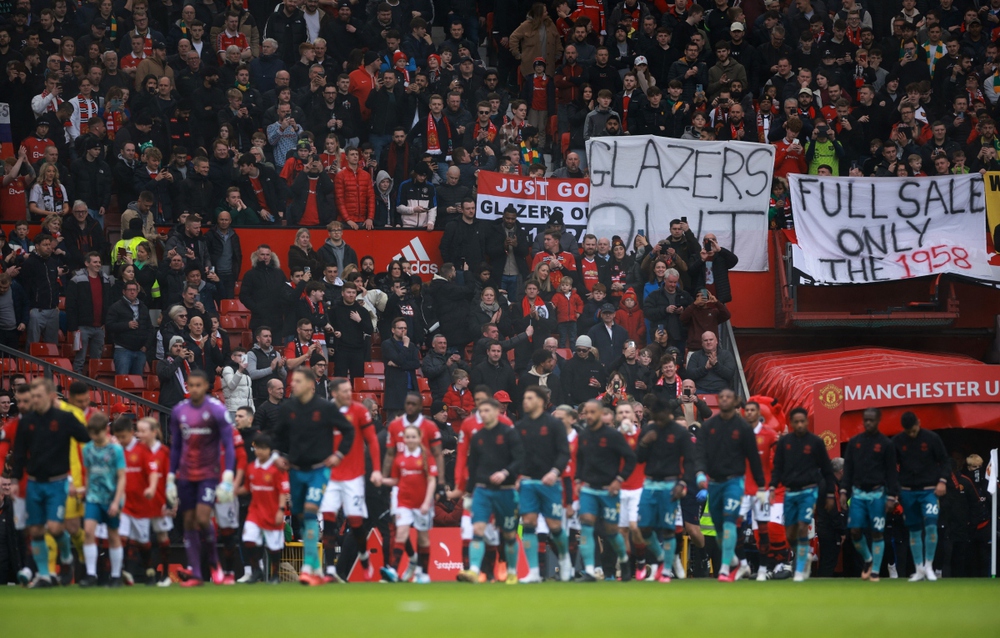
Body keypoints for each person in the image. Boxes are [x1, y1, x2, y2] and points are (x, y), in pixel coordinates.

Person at [272, 367, 354, 586]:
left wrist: (338, 454)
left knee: (310, 512)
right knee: (300, 515)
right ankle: (315, 567)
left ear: (310, 384)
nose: (293, 385)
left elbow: (348, 430)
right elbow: (277, 437)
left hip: (319, 470)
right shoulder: (288, 408)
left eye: (297, 381)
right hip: (296, 471)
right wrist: (276, 455)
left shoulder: (325, 408)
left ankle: (308, 566)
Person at [9, 379, 90, 588]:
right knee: (36, 531)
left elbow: (86, 439)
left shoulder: (65, 418)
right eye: (32, 396)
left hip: (58, 482)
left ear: (50, 396)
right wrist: (16, 480)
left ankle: (66, 557)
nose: (34, 400)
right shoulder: (27, 421)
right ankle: (45, 574)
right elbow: (18, 453)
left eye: (38, 396)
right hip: (34, 482)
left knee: (55, 527)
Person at [164, 371, 236, 587]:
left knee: (203, 519)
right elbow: (176, 447)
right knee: (188, 521)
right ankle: (196, 573)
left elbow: (229, 445)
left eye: (198, 385)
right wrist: (170, 477)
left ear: (206, 386)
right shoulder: (179, 411)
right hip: (186, 475)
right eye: (191, 385)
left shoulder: (216, 410)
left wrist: (228, 476)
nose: (194, 389)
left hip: (208, 474)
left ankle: (214, 562)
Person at [698, 388, 766, 582]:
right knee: (720, 528)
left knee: (729, 524)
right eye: (722, 397)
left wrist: (760, 485)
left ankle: (725, 569)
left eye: (729, 397)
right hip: (714, 483)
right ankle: (732, 556)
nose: (725, 400)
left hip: (735, 482)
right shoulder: (709, 426)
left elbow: (753, 458)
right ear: (718, 401)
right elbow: (700, 452)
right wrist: (700, 473)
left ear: (735, 401)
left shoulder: (743, 428)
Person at [455, 398, 525, 584]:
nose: (482, 414)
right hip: (483, 491)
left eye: (486, 410)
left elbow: (519, 460)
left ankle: (511, 571)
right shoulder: (478, 437)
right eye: (480, 411)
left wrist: (506, 473)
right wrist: (469, 492)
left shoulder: (509, 434)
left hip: (506, 491)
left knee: (509, 533)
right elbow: (473, 465)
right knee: (478, 529)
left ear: (496, 411)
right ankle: (475, 571)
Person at [319, 378, 382, 583]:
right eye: (345, 391)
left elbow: (372, 440)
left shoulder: (359, 411)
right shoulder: (326, 413)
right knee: (328, 520)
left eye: (350, 390)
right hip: (332, 476)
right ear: (334, 393)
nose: (349, 394)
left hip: (356, 476)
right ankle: (330, 570)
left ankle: (360, 559)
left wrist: (377, 470)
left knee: (356, 523)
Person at [635, 394, 701, 582]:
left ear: (667, 413)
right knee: (644, 528)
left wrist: (683, 483)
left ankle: (664, 570)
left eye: (661, 414)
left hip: (671, 483)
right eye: (655, 415)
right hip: (649, 483)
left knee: (668, 529)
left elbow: (690, 461)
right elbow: (639, 458)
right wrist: (644, 442)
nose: (658, 418)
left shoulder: (679, 433)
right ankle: (664, 558)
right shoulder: (649, 430)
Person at [769, 407, 836, 582]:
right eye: (796, 422)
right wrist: (771, 487)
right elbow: (777, 468)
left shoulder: (815, 442)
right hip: (790, 492)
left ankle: (799, 569)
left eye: (802, 421)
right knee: (790, 533)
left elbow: (828, 470)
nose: (799, 425)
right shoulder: (785, 443)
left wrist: (830, 493)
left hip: (809, 490)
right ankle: (803, 553)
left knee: (801, 526)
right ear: (791, 423)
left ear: (806, 422)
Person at [574, 399, 637, 582]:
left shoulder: (612, 436)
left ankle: (624, 561)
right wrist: (578, 480)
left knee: (611, 532)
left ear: (601, 414)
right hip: (588, 490)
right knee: (586, 526)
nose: (589, 416)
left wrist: (619, 479)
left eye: (593, 412)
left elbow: (630, 458)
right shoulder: (584, 435)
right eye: (587, 412)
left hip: (609, 491)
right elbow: (579, 459)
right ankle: (591, 571)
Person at [516, 385, 573, 583]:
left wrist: (555, 472)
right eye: (524, 398)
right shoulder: (520, 426)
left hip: (549, 482)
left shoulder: (554, 424)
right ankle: (533, 571)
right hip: (528, 483)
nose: (525, 401)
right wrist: (517, 475)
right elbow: (516, 455)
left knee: (554, 525)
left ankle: (565, 560)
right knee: (529, 524)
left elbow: (564, 452)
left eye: (529, 398)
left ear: (540, 401)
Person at [841, 407, 898, 582]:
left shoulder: (886, 444)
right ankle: (868, 559)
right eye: (865, 419)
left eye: (871, 420)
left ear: (878, 420)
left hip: (877, 493)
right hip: (857, 494)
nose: (868, 423)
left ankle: (875, 571)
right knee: (855, 532)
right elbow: (848, 470)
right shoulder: (854, 442)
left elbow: (891, 472)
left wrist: (892, 496)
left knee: (877, 532)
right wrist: (844, 491)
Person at [892, 411, 948, 582]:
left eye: (914, 430)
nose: (912, 434)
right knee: (914, 530)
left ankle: (929, 566)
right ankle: (919, 569)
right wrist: (893, 491)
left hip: (929, 490)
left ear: (919, 423)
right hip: (908, 491)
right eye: (908, 432)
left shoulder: (932, 438)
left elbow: (945, 460)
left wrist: (942, 481)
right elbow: (890, 467)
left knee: (931, 526)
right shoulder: (897, 441)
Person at [380, 423, 438, 584]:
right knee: (401, 533)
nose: (410, 440)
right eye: (407, 437)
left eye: (413, 437)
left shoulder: (426, 457)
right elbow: (396, 480)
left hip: (422, 503)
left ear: (419, 438)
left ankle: (423, 573)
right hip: (404, 502)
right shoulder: (399, 459)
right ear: (403, 439)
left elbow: (432, 480)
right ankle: (393, 569)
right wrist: (382, 480)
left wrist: (427, 502)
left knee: (423, 538)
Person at [78, 413, 127, 588]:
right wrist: (85, 490)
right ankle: (91, 574)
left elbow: (122, 477)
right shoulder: (88, 449)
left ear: (105, 430)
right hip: (93, 497)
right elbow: (90, 473)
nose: (94, 438)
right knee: (89, 532)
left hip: (111, 497)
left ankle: (115, 576)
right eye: (92, 434)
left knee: (113, 535)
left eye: (97, 434)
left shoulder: (116, 450)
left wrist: (116, 501)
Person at [236, 433, 288, 584]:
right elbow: (247, 487)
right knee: (248, 539)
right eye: (257, 448)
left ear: (270, 450)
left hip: (272, 512)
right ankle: (256, 569)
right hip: (255, 512)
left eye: (263, 448)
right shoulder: (251, 467)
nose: (260, 451)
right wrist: (232, 491)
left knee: (274, 547)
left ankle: (275, 575)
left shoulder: (277, 469)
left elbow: (282, 491)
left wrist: (280, 510)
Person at [66, 252, 112, 374]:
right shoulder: (76, 280)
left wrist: (104, 322)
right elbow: (71, 305)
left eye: (99, 262)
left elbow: (108, 303)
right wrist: (74, 328)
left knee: (97, 360)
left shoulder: (105, 279)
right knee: (80, 359)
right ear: (87, 263)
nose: (98, 265)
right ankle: (76, 385)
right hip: (82, 327)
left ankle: (94, 387)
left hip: (100, 328)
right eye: (95, 262)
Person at [20, 233, 65, 345]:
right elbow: (25, 288)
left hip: (52, 310)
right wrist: (29, 308)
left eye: (49, 244)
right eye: (45, 245)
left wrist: (55, 304)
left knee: (52, 347)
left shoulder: (53, 263)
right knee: (32, 345)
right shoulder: (29, 263)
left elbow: (55, 284)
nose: (48, 247)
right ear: (37, 246)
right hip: (36, 310)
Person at [106, 281, 154, 375]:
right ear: (124, 291)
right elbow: (109, 326)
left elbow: (150, 329)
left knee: (137, 384)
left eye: (134, 290)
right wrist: (126, 325)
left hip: (140, 351)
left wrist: (146, 346)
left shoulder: (143, 307)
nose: (132, 292)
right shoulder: (116, 307)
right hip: (123, 350)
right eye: (130, 290)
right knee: (122, 381)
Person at [240, 245, 287, 333]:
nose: (265, 257)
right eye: (262, 254)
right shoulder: (250, 274)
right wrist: (256, 308)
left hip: (277, 321)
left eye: (267, 255)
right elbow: (244, 296)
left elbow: (286, 292)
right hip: (259, 320)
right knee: (259, 347)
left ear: (271, 256)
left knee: (277, 346)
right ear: (257, 255)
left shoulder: (279, 273)